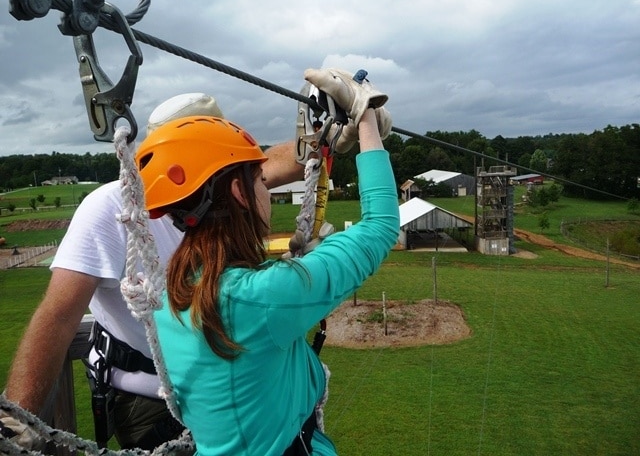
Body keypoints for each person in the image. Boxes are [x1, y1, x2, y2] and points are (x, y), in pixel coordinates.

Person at [0, 93, 304, 450]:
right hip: (152, 398)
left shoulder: (233, 189)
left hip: (233, 383)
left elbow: (282, 161)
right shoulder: (111, 208)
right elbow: (58, 316)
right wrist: (16, 422)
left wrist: (338, 131)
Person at [137, 68, 400, 455]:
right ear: (239, 194)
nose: (267, 189)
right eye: (260, 179)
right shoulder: (261, 298)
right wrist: (366, 117)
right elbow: (381, 226)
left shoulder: (171, 295)